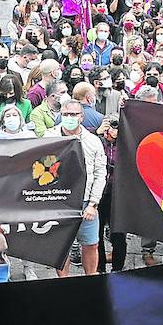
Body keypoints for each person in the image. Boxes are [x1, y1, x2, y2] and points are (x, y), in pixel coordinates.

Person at [56, 100, 106, 277]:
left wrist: (93, 203)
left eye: (74, 114)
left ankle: (90, 279)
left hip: (86, 202)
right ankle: (63, 284)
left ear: (82, 116)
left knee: (91, 243)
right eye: (66, 114)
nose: (69, 118)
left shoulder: (93, 142)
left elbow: (100, 173)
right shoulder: (49, 138)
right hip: (58, 202)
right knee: (61, 247)